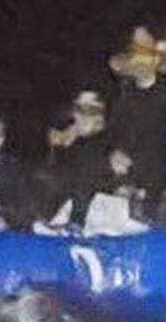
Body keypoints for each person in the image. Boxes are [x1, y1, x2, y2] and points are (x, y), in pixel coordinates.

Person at [106, 29, 166, 197]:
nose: (140, 61)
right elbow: (111, 135)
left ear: (155, 60)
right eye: (135, 55)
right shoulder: (122, 98)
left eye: (145, 55)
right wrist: (114, 152)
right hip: (126, 184)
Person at [47, 90, 115, 224]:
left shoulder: (111, 147)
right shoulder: (62, 147)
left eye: (92, 110)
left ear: (101, 116)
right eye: (79, 109)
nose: (84, 115)